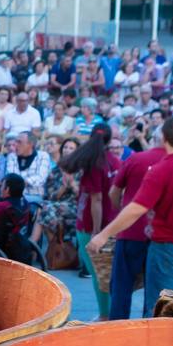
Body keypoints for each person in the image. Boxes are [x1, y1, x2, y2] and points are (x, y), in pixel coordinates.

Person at [87, 116, 173, 320]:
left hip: (169, 249)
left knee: (161, 308)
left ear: (164, 137)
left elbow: (136, 209)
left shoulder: (162, 170)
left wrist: (103, 235)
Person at [107, 132, 166, 320]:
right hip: (161, 234)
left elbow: (113, 193)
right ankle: (151, 329)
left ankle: (116, 328)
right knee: (156, 290)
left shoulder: (136, 159)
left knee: (121, 286)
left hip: (131, 230)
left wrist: (122, 211)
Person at [62, 125, 115, 319]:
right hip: (112, 222)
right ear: (109, 141)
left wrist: (96, 230)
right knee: (107, 273)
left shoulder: (94, 165)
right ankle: (109, 313)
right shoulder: (114, 161)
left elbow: (96, 199)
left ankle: (104, 315)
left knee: (98, 273)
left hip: (90, 225)